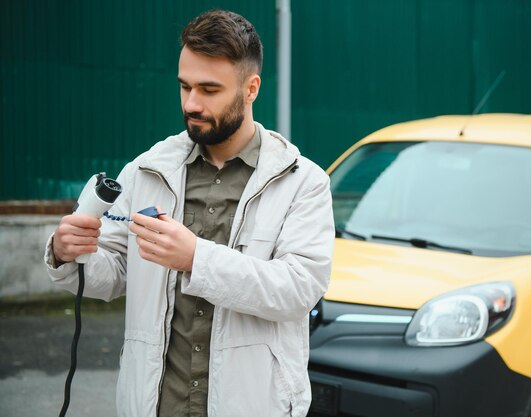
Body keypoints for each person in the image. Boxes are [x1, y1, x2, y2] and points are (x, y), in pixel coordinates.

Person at [44, 9, 334, 417]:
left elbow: (299, 290)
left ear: (251, 89)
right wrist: (68, 252)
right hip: (155, 405)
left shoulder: (303, 182)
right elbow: (112, 275)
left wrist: (197, 258)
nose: (192, 104)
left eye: (209, 90)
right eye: (185, 87)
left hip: (250, 405)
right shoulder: (147, 170)